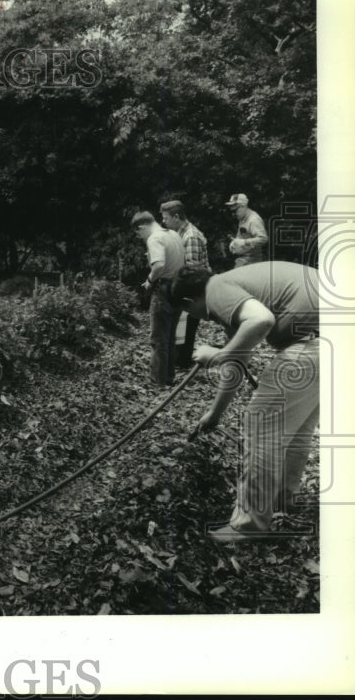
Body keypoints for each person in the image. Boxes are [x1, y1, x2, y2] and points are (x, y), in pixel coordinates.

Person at [171, 261, 319, 543]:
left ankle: (249, 524)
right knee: (296, 428)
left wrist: (217, 355)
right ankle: (283, 500)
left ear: (190, 300)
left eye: (189, 312)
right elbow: (238, 364)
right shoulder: (235, 295)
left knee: (259, 424)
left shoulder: (218, 289)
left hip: (311, 345)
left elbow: (262, 320)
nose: (198, 318)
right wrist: (214, 415)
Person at [132, 211, 185, 386]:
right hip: (178, 287)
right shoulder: (174, 235)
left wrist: (149, 281)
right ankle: (168, 377)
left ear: (142, 227)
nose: (140, 238)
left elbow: (159, 265)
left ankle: (158, 381)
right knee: (170, 337)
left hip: (163, 289)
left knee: (158, 338)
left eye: (138, 234)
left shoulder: (154, 238)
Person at [160, 200, 210, 369]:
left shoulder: (190, 237)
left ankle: (183, 362)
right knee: (181, 326)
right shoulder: (179, 233)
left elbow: (192, 272)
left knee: (187, 326)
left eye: (166, 218)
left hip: (194, 291)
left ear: (176, 217)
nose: (164, 221)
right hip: (188, 289)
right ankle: (180, 360)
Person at [225, 193, 268, 268]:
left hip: (252, 262)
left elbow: (263, 238)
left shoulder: (254, 220)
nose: (233, 214)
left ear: (243, 206)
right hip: (243, 259)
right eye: (231, 211)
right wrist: (234, 243)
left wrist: (244, 242)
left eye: (235, 210)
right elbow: (242, 235)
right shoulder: (243, 218)